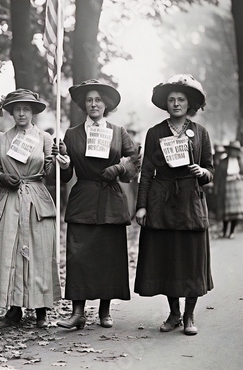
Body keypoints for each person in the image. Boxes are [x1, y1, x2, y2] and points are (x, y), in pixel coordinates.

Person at [54, 79, 139, 330]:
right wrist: (65, 164)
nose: (94, 104)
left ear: (106, 105)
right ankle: (78, 312)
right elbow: (66, 177)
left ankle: (105, 310)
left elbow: (135, 160)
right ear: (84, 105)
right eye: (89, 100)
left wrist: (120, 167)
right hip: (83, 198)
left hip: (111, 199)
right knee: (78, 255)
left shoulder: (118, 131)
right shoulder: (71, 134)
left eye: (98, 100)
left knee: (108, 256)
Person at [134, 74, 214, 336]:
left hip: (191, 201)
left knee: (191, 258)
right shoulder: (155, 132)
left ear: (188, 103)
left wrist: (202, 172)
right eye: (171, 99)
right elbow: (146, 171)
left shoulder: (200, 133)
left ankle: (190, 315)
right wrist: (142, 205)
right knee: (167, 258)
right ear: (166, 104)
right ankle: (174, 313)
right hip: (162, 201)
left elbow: (211, 170)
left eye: (181, 99)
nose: (176, 103)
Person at [0, 88, 61, 328]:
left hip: (37, 198)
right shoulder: (1, 139)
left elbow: (50, 172)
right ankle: (14, 307)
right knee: (11, 250)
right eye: (17, 109)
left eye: (26, 109)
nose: (21, 113)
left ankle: (41, 308)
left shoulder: (45, 139)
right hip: (9, 199)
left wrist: (58, 159)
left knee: (39, 251)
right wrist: (2, 179)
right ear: (11, 112)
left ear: (33, 112)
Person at [214, 140, 243, 239]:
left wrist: (239, 176)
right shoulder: (223, 162)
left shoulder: (240, 161)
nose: (234, 152)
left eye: (236, 150)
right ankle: (224, 230)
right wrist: (216, 188)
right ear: (229, 150)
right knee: (226, 210)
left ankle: (232, 231)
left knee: (236, 211)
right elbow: (217, 177)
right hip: (226, 186)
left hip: (238, 187)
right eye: (232, 150)